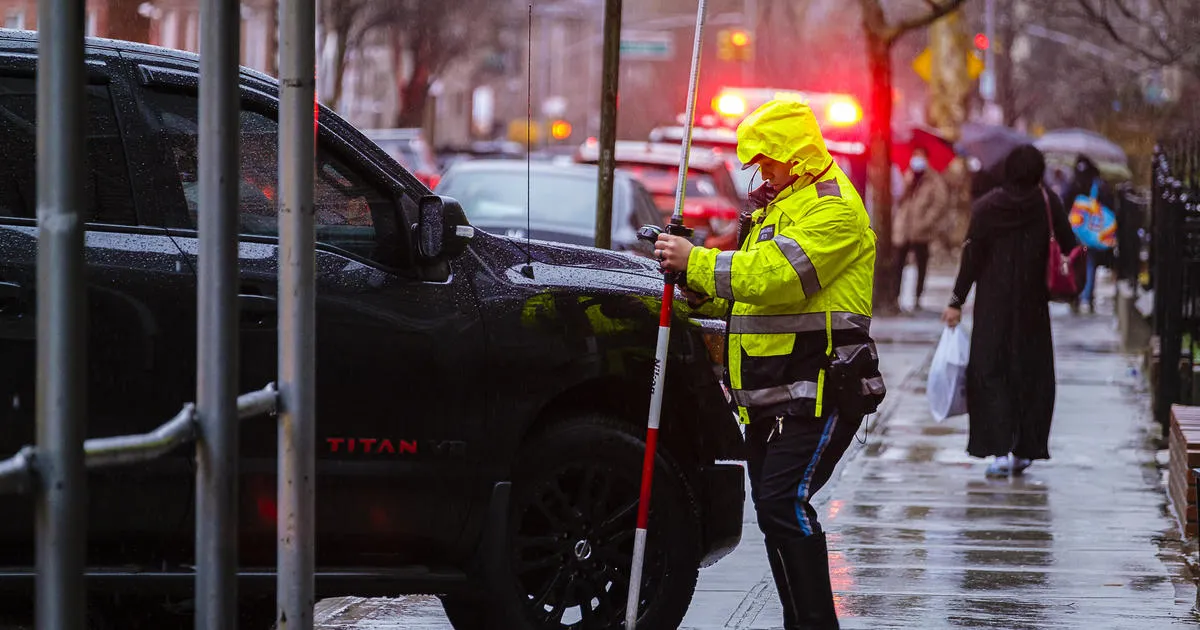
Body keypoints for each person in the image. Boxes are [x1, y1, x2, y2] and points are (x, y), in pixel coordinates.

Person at [655, 98, 883, 629]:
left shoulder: (834, 210)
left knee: (784, 502)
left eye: (770, 160)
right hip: (774, 395)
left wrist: (699, 262)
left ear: (798, 155)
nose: (763, 172)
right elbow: (748, 294)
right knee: (774, 509)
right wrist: (696, 288)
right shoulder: (777, 205)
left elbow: (779, 277)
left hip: (822, 388)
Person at [941, 145, 1076, 477]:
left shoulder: (988, 207)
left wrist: (956, 300)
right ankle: (1025, 449)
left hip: (993, 308)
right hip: (1033, 308)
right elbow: (1070, 244)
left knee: (991, 374)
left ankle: (997, 450)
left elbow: (971, 258)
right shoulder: (1047, 203)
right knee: (1030, 376)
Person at [893, 147, 950, 310]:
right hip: (904, 229)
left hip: (921, 230)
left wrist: (927, 221)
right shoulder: (907, 176)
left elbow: (940, 203)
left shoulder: (934, 180)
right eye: (915, 156)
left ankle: (917, 298)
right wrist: (907, 183)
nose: (917, 160)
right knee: (898, 265)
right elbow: (899, 198)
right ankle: (895, 296)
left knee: (921, 264)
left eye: (920, 156)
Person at [1061, 154, 1115, 314]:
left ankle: (1076, 294)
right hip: (1093, 232)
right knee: (1090, 263)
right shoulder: (1099, 185)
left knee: (1075, 263)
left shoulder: (1073, 184)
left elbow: (1064, 204)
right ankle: (1087, 296)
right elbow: (1109, 207)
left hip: (1075, 230)